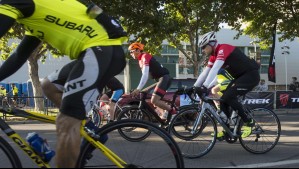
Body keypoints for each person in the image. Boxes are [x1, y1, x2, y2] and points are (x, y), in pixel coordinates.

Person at [0, 0, 127, 167]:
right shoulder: (35, 15)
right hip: (98, 51)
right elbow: (19, 56)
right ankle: (89, 128)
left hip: (98, 50)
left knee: (66, 122)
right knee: (48, 86)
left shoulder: (16, 2)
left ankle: (74, 124)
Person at [193, 31, 260, 138]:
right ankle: (228, 129)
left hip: (251, 75)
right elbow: (205, 72)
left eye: (204, 47)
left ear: (211, 44)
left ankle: (248, 122)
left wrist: (205, 87)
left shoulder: (223, 48)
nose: (203, 50)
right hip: (239, 77)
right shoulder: (213, 56)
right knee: (224, 99)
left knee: (229, 96)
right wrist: (195, 87)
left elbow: (215, 69)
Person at [128, 42, 174, 120]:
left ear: (138, 50)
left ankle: (173, 113)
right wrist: (142, 89)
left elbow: (145, 75)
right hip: (160, 79)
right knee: (154, 101)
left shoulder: (145, 56)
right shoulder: (140, 61)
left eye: (131, 51)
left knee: (154, 100)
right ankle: (165, 117)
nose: (131, 54)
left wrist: (138, 89)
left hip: (164, 78)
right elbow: (147, 76)